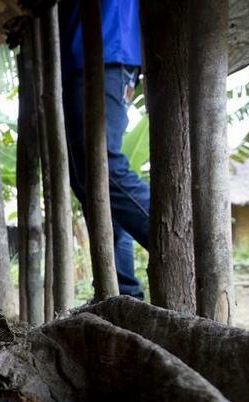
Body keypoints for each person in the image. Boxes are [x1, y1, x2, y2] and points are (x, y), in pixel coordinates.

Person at [59, 0, 151, 299]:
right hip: (87, 56)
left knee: (104, 170)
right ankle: (121, 292)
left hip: (106, 52)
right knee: (87, 180)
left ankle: (180, 244)